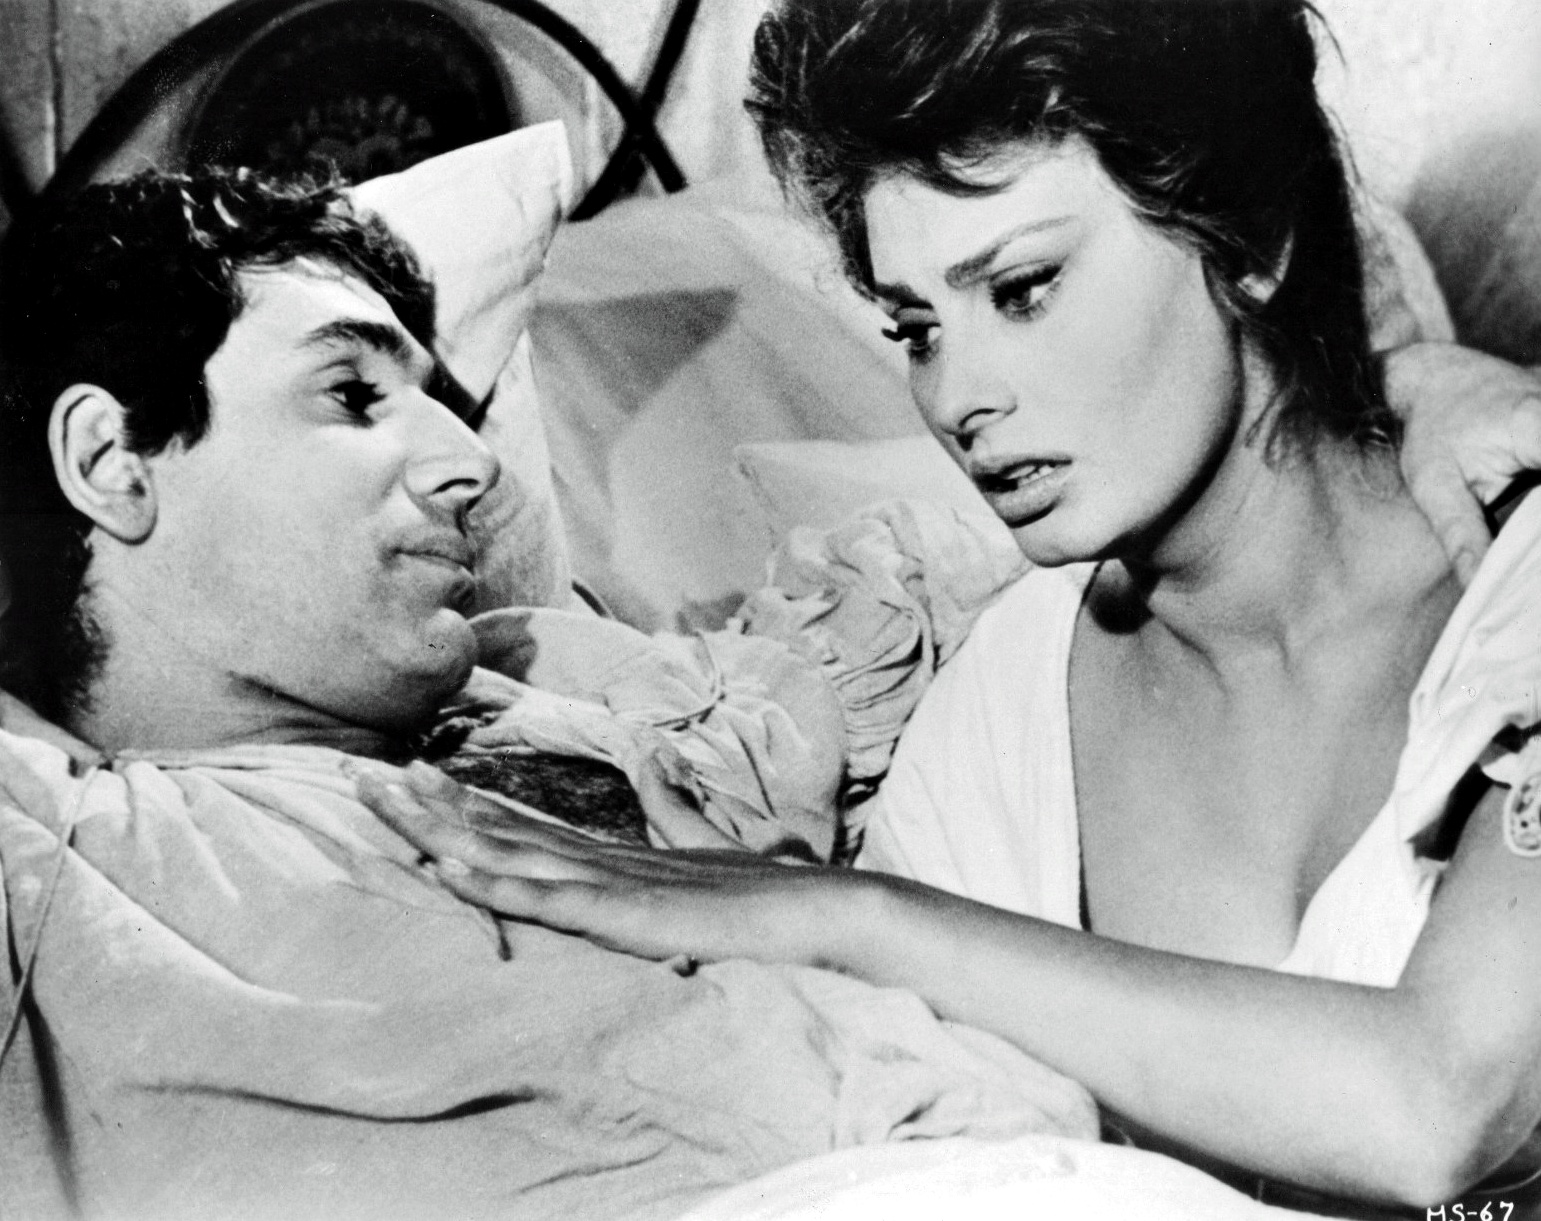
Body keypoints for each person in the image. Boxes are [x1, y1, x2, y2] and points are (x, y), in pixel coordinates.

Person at [368, 1, 1541, 1215]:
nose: (954, 396)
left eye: (1022, 289)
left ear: (1248, 236)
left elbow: (1438, 1111)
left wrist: (850, 918)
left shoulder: (1518, 583)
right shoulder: (1005, 698)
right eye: (917, 327)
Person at [0, 167, 1115, 1221]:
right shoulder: (74, 856)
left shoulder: (550, 676)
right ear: (110, 460)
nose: (473, 467)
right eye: (351, 394)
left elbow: (917, 610)